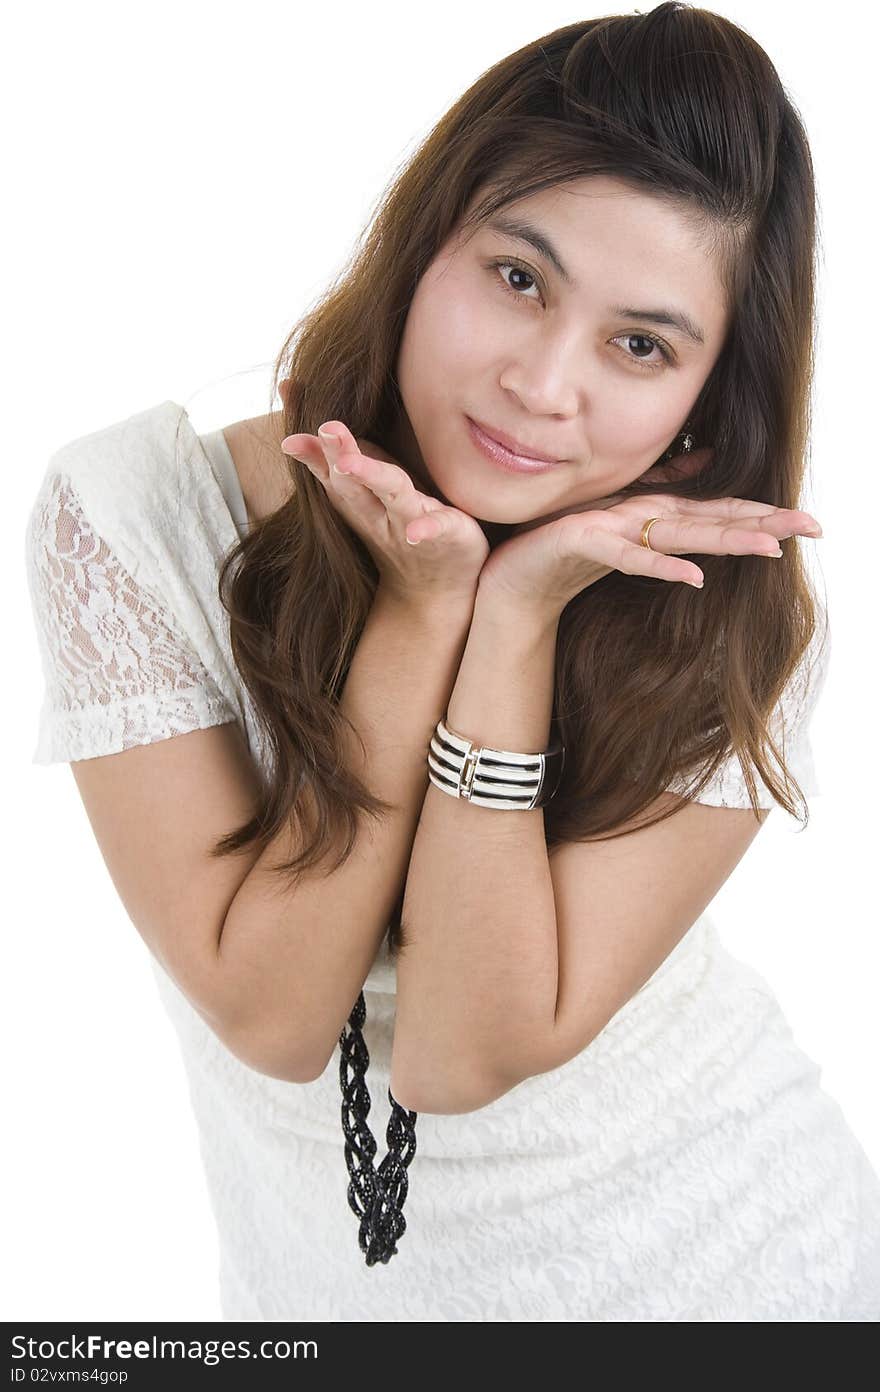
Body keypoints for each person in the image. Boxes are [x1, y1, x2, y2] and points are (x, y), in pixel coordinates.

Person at [24, 4, 880, 1319]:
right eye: (520, 278)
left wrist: (513, 622)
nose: (544, 384)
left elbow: (455, 1056)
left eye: (639, 345)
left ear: (705, 413)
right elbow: (271, 1016)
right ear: (425, 248)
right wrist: (422, 615)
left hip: (745, 1277)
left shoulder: (731, 616)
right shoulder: (138, 514)